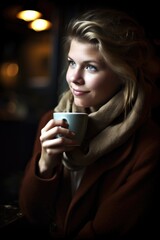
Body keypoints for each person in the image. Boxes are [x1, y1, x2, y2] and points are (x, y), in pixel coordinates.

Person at [19, 8, 160, 239]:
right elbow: (32, 214)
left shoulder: (148, 143)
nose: (73, 77)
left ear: (123, 73)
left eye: (91, 66)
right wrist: (45, 164)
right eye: (72, 63)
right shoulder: (52, 119)